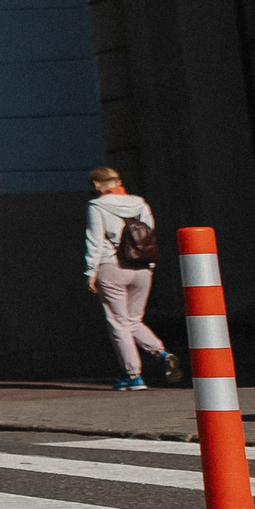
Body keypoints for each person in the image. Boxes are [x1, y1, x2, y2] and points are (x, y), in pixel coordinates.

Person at [84, 165, 167, 392]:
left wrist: (90, 272)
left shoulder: (97, 206)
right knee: (134, 320)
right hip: (142, 268)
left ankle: (133, 375)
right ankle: (161, 353)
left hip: (112, 267)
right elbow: (148, 235)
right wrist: (150, 265)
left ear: (97, 185)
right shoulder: (140, 203)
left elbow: (95, 241)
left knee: (119, 323)